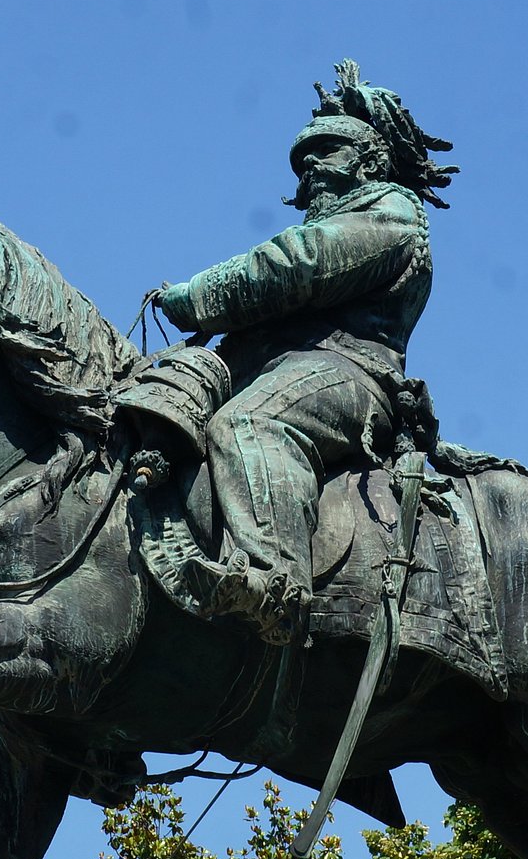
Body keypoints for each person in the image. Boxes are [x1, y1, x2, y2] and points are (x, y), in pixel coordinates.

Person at [152, 61, 457, 644]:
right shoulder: (346, 209)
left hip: (347, 374)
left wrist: (195, 297)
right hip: (265, 365)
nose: (311, 164)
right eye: (302, 158)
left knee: (251, 423)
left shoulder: (391, 211)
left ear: (369, 159)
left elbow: (298, 267)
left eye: (329, 150)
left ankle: (273, 580)